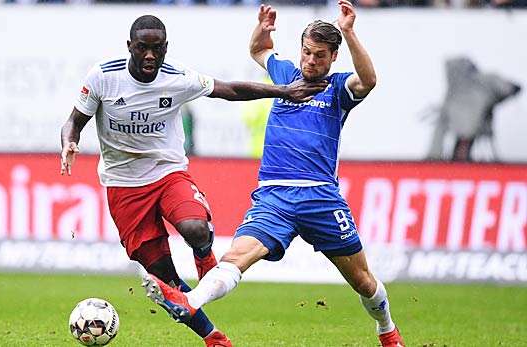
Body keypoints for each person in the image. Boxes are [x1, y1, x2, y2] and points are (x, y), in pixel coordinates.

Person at [142, 3, 406, 346]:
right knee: (237, 255)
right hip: (274, 197)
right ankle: (188, 301)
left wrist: (351, 31)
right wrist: (263, 28)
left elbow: (368, 79)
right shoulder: (285, 76)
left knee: (364, 283)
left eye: (320, 56)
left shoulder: (340, 89)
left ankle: (386, 329)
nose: (310, 61)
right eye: (307, 53)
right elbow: (258, 49)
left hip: (320, 198)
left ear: (334, 56)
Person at [60, 14, 326, 347]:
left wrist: (285, 91)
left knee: (196, 229)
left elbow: (228, 90)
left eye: (157, 49)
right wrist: (70, 141)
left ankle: (205, 261)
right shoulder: (102, 77)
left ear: (166, 48)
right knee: (167, 283)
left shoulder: (177, 77)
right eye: (142, 48)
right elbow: (73, 121)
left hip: (167, 173)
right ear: (129, 46)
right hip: (123, 187)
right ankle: (214, 338)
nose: (150, 57)